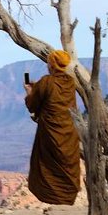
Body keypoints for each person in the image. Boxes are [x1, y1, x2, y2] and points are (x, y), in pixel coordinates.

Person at [23, 49, 82, 205]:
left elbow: (33, 104)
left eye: (49, 63)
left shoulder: (46, 81)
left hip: (50, 133)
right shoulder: (69, 81)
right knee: (67, 164)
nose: (48, 65)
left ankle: (54, 199)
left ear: (52, 64)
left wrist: (30, 92)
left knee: (49, 166)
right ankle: (66, 197)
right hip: (69, 132)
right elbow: (56, 97)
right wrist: (38, 87)